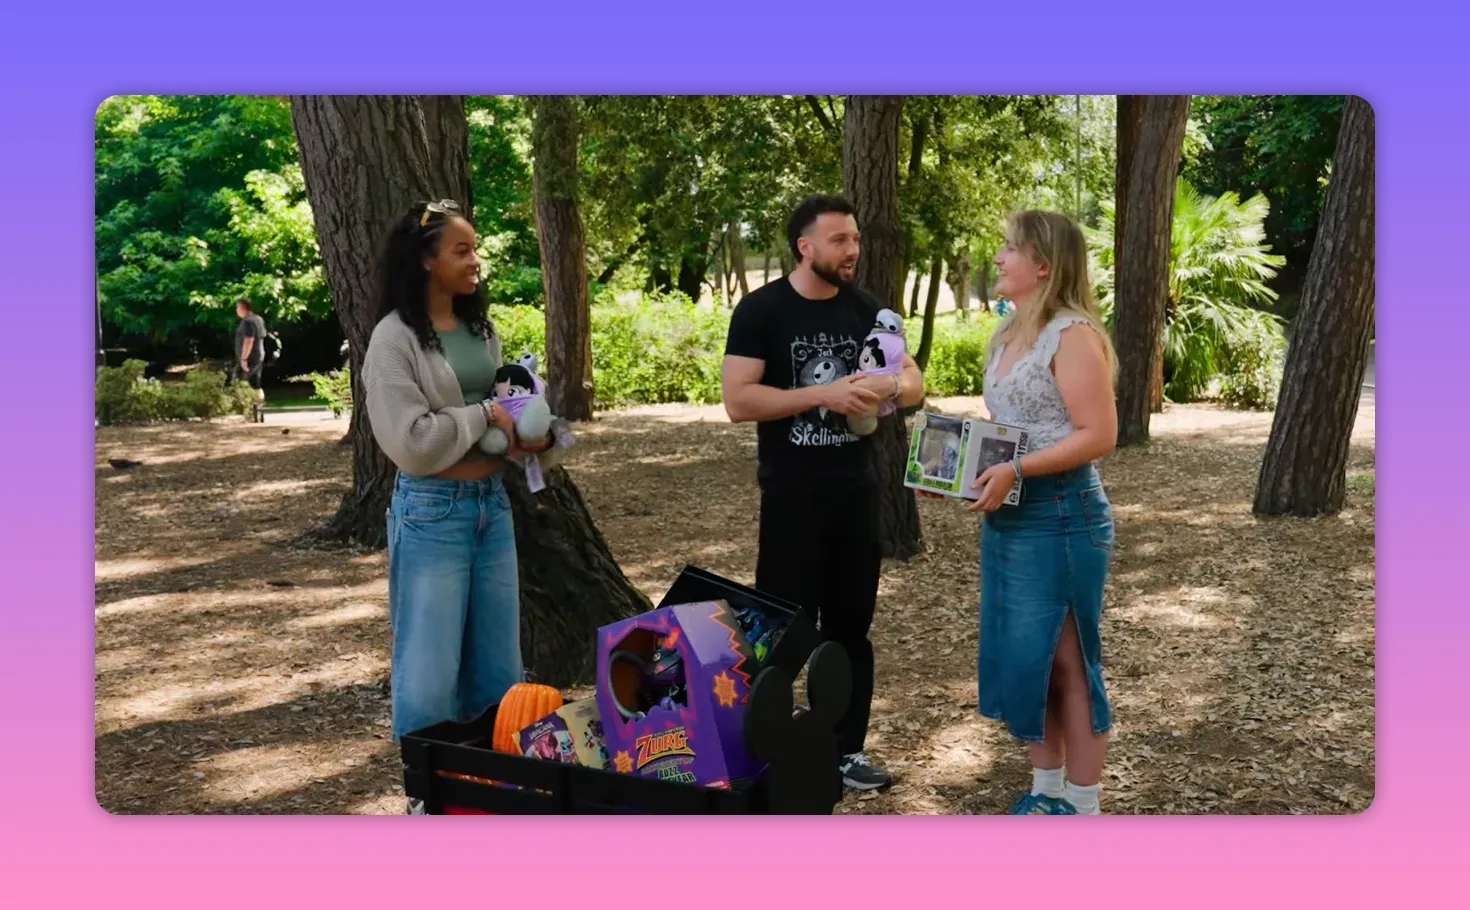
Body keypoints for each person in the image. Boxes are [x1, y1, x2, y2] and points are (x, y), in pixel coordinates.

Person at [721, 193, 924, 791]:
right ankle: (766, 750)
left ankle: (844, 751)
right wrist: (823, 394)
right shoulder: (762, 310)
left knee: (850, 630)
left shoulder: (866, 308)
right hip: (791, 496)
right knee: (783, 630)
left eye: (855, 238)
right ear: (804, 246)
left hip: (856, 494)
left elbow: (912, 381)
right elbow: (738, 399)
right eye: (840, 240)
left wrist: (888, 386)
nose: (853, 249)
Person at [361, 200, 554, 800]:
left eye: (476, 250)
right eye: (462, 251)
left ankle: (491, 792)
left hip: (491, 505)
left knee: (499, 666)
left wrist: (536, 435)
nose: (476, 262)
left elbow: (509, 412)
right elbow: (414, 445)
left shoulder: (481, 331)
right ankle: (429, 798)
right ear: (426, 260)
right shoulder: (392, 340)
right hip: (432, 511)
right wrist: (485, 415)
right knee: (428, 670)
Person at [961, 210, 1119, 815]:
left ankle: (1082, 808)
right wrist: (960, 474)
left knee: (1068, 661)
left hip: (1062, 514)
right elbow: (1012, 428)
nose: (998, 257)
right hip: (1011, 516)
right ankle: (1045, 794)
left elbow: (1098, 434)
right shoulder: (1008, 332)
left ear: (1045, 265)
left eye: (1010, 248)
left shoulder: (1071, 334)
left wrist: (1019, 470)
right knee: (1029, 661)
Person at [234, 298, 268, 418]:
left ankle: (250, 411)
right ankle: (259, 410)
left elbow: (249, 340)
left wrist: (244, 359)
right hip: (259, 355)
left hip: (250, 358)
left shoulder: (247, 322)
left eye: (237, 307)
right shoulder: (258, 319)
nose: (236, 310)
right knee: (256, 384)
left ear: (242, 307)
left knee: (244, 384)